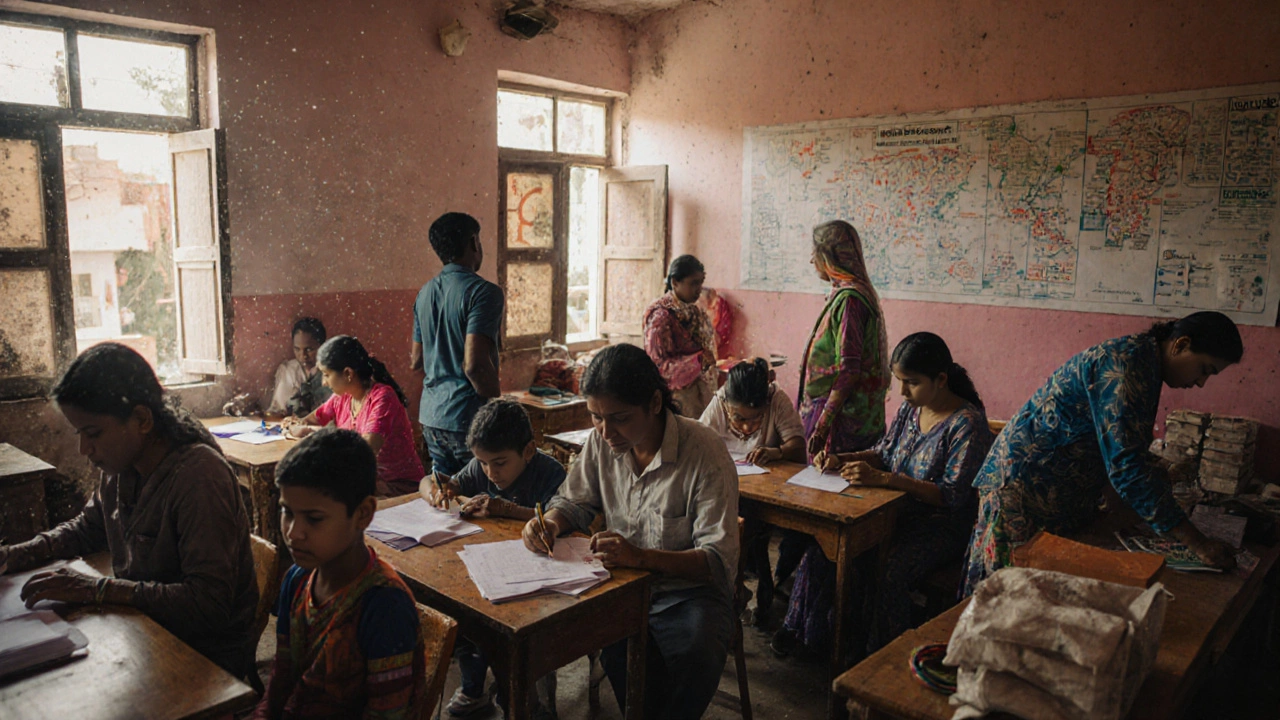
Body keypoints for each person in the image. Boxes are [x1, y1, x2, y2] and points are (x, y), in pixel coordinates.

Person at [0, 343, 257, 677]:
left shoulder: (199, 476)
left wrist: (98, 589)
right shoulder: (122, 469)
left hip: (206, 664)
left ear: (141, 419)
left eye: (93, 433)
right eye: (80, 433)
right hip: (146, 635)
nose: (84, 449)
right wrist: (12, 555)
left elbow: (208, 606)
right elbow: (86, 528)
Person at [522, 343, 738, 720]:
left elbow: (716, 562)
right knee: (609, 645)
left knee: (696, 652)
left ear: (655, 403)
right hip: (620, 586)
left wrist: (641, 557)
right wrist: (549, 524)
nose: (606, 432)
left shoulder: (704, 451)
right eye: (595, 418)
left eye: (619, 418)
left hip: (688, 595)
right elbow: (574, 503)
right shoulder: (603, 443)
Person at [962, 311, 1245, 596]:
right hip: (1024, 488)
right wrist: (1197, 543)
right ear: (1180, 344)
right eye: (1204, 369)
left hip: (1056, 489)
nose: (1200, 383)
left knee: (1044, 594)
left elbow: (1121, 446)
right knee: (1005, 597)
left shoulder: (1145, 363)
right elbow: (1127, 467)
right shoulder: (1126, 364)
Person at [819, 332, 993, 651]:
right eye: (899, 381)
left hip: (941, 528)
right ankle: (845, 645)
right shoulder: (911, 410)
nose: (901, 391)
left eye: (910, 382)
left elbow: (951, 496)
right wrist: (839, 459)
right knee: (847, 553)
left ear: (941, 379)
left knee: (889, 571)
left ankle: (889, 654)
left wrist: (886, 480)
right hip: (896, 514)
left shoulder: (966, 424)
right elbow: (883, 453)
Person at [773, 220, 889, 657]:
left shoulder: (852, 302)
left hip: (842, 427)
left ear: (829, 257)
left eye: (813, 253)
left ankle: (811, 629)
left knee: (827, 528)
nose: (809, 261)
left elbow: (849, 369)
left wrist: (822, 427)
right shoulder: (850, 296)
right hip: (837, 421)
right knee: (815, 530)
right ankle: (806, 619)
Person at [253, 428, 425, 719]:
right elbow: (280, 682)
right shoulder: (296, 580)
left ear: (363, 513)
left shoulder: (384, 607)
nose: (294, 533)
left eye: (314, 518)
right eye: (288, 512)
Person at [423, 399, 566, 718]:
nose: (490, 472)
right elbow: (444, 483)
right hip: (489, 571)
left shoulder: (549, 473)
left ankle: (531, 704)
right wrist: (438, 490)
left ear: (528, 451)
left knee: (523, 649)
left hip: (540, 584)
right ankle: (475, 688)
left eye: (499, 463)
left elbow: (562, 519)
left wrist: (508, 510)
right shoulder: (482, 465)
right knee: (462, 620)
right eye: (483, 463)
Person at [699, 357, 806, 624]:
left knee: (751, 529)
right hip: (732, 484)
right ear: (726, 405)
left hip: (765, 486)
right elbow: (698, 443)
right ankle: (735, 588)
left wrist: (777, 451)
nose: (746, 427)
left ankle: (742, 586)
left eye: (755, 419)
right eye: (738, 418)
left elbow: (797, 444)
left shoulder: (775, 399)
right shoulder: (720, 400)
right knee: (731, 526)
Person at [411, 212, 504, 475]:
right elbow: (474, 365)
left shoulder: (424, 293)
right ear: (474, 242)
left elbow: (416, 360)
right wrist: (496, 400)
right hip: (467, 416)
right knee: (480, 499)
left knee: (446, 498)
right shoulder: (483, 292)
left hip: (431, 416)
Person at [283, 335, 424, 496]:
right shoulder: (343, 397)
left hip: (397, 488)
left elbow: (365, 452)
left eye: (326, 375)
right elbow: (310, 420)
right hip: (365, 482)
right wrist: (295, 424)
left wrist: (314, 433)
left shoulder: (382, 398)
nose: (323, 383)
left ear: (348, 373)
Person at [643, 254, 718, 418]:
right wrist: (697, 361)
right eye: (693, 283)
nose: (699, 289)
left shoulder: (693, 311)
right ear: (675, 283)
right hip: (675, 397)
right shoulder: (661, 318)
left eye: (700, 283)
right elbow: (657, 366)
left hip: (697, 391)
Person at [267, 317, 333, 416]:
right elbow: (277, 411)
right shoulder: (288, 370)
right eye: (297, 349)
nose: (303, 356)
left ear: (322, 346)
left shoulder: (332, 372)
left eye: (309, 349)